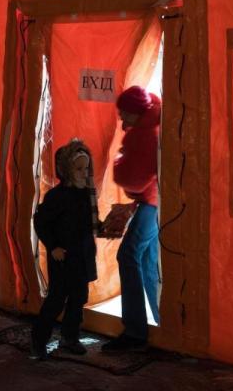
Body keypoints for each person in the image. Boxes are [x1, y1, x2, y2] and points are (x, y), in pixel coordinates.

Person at [101, 85, 162, 352]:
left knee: (128, 256)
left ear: (136, 112)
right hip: (156, 202)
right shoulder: (153, 125)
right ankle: (162, 324)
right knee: (147, 262)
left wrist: (119, 163)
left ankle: (135, 331)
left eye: (125, 113)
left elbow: (134, 180)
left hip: (149, 203)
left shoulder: (144, 134)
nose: (122, 118)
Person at [30, 138, 102, 360]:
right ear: (67, 170)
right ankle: (38, 341)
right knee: (56, 300)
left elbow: (90, 224)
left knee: (79, 297)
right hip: (63, 258)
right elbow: (40, 222)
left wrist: (108, 226)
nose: (83, 173)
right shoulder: (56, 196)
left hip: (82, 255)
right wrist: (53, 246)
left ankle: (70, 337)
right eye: (78, 169)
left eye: (86, 168)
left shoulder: (88, 194)